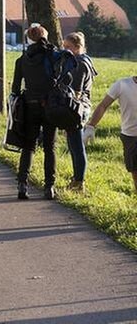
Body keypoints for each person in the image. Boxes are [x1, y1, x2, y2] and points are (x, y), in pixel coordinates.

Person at [10, 23, 58, 200]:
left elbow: (15, 88)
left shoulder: (22, 60)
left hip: (29, 106)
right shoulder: (52, 56)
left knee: (28, 146)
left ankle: (22, 184)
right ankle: (49, 187)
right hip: (50, 106)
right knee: (49, 148)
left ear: (28, 39)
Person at [84, 75, 137, 193]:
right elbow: (103, 105)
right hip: (130, 137)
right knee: (135, 172)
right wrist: (91, 125)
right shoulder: (122, 85)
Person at [62, 32, 97, 192]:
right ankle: (76, 178)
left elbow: (76, 91)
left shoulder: (79, 64)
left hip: (77, 108)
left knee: (76, 146)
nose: (65, 50)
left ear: (77, 47)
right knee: (73, 144)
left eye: (68, 47)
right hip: (80, 107)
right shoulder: (84, 60)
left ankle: (79, 182)